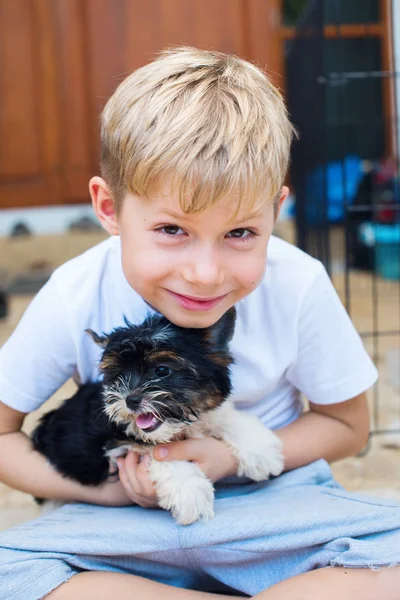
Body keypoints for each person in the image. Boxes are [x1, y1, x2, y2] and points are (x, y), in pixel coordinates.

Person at [0, 47, 399, 600]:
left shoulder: (299, 282)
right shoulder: (73, 292)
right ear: (110, 208)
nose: (205, 274)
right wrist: (110, 493)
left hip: (277, 509)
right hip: (125, 527)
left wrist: (231, 456)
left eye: (240, 233)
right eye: (171, 229)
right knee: (10, 575)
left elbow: (348, 426)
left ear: (276, 211)